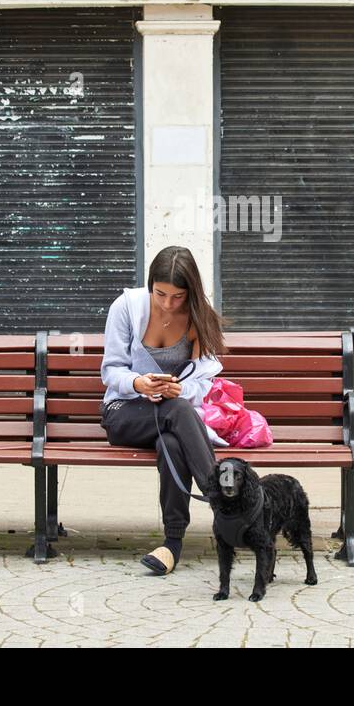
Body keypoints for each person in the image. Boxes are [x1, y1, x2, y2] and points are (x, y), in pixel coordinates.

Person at [100, 245, 228, 575]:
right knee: (178, 410)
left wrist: (180, 389)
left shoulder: (199, 316)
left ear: (191, 292)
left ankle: (171, 544)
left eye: (177, 297)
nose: (168, 303)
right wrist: (139, 384)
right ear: (150, 285)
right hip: (125, 412)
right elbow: (110, 370)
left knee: (171, 443)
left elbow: (204, 383)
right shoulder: (127, 307)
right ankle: (223, 502)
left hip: (172, 420)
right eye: (160, 294)